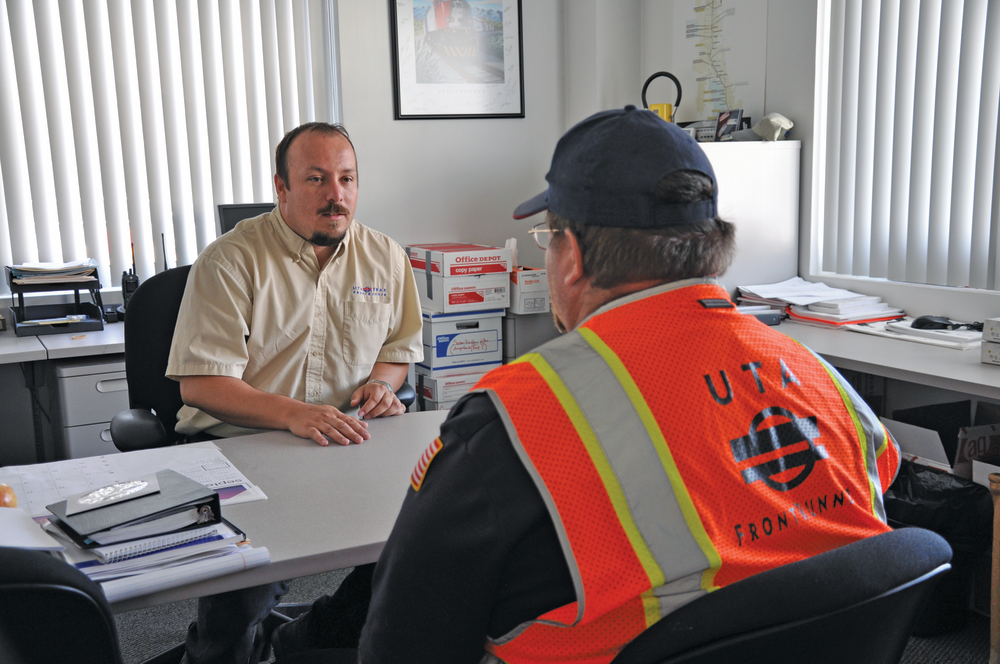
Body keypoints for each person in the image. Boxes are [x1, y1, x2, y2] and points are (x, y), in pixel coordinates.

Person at [315, 106, 896, 663]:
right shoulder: (817, 373)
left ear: (572, 260)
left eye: (549, 239)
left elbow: (403, 644)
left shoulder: (517, 416)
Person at [165, 122, 423, 664]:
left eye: (348, 179)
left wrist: (381, 383)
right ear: (281, 188)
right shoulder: (231, 260)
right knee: (238, 609)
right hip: (240, 451)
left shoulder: (386, 257)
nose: (337, 195)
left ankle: (303, 640)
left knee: (414, 553)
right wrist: (294, 414)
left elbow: (399, 348)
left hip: (349, 447)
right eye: (316, 179)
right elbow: (201, 382)